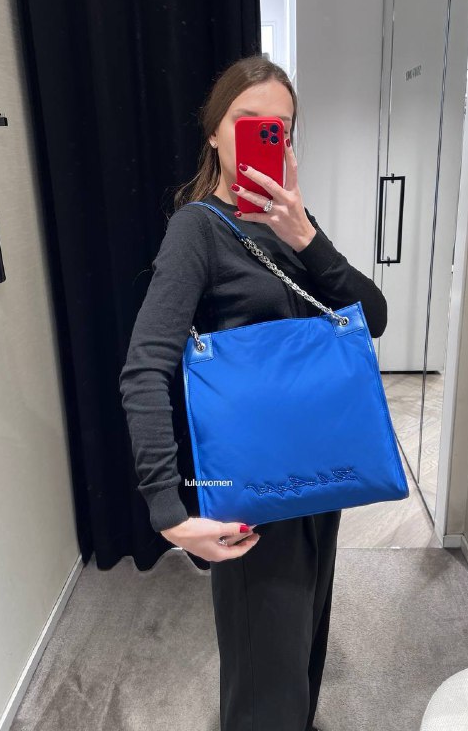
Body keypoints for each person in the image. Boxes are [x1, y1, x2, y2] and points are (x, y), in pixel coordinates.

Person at [119, 55, 387, 731]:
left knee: (302, 648)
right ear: (214, 132)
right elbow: (144, 367)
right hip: (253, 491)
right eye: (248, 122)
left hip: (319, 471)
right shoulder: (198, 229)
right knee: (264, 677)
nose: (266, 137)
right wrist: (167, 509)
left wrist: (307, 237)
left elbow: (373, 318)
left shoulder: (293, 222)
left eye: (281, 129)